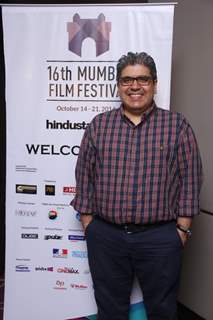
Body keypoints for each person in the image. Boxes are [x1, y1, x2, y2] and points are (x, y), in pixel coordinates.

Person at [71, 52, 203, 320]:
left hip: (160, 238)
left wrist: (182, 229)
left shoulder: (176, 125)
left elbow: (191, 177)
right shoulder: (100, 125)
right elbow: (84, 175)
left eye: (142, 79)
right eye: (127, 80)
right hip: (106, 237)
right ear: (118, 85)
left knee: (163, 311)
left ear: (154, 83)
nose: (134, 86)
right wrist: (89, 223)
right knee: (110, 311)